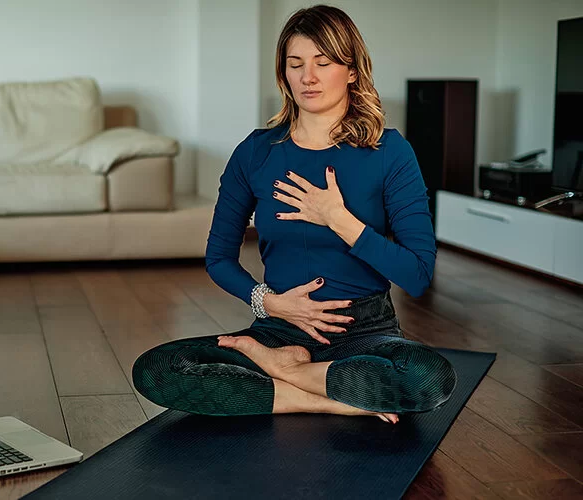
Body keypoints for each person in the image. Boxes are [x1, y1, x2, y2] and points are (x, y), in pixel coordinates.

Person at [132, 5, 457, 424]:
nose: (309, 77)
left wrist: (337, 217)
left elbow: (417, 274)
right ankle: (322, 395)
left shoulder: (390, 152)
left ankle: (288, 378)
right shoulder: (256, 152)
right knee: (159, 369)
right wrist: (267, 302)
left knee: (430, 378)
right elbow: (218, 258)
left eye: (324, 63)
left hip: (365, 332)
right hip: (279, 330)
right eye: (295, 64)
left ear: (353, 71)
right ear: (283, 73)